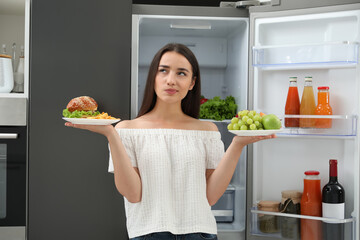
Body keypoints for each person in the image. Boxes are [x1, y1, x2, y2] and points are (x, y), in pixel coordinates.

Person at [65, 43, 275, 240]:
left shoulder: (207, 131)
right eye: (163, 70)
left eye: (181, 73)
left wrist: (237, 145)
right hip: (148, 233)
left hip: (200, 233)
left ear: (192, 83)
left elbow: (210, 197)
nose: (171, 80)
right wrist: (111, 135)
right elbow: (133, 194)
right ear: (153, 77)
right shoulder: (126, 130)